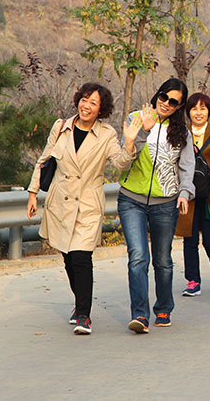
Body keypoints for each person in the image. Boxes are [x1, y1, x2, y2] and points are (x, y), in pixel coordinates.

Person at [27, 82, 142, 335]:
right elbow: (44, 160)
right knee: (68, 258)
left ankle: (83, 315)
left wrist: (130, 143)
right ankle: (79, 301)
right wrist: (33, 193)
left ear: (101, 109)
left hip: (88, 205)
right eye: (84, 99)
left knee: (81, 258)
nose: (86, 106)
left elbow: (120, 163)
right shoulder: (61, 127)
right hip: (60, 203)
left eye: (93, 103)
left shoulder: (106, 134)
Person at [117, 78, 195, 333]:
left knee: (162, 260)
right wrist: (144, 131)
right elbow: (125, 159)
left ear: (179, 106)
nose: (166, 103)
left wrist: (184, 193)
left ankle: (164, 307)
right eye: (164, 96)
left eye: (174, 102)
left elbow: (187, 167)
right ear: (157, 94)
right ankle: (140, 315)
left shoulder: (182, 132)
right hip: (131, 199)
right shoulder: (135, 119)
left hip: (166, 203)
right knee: (138, 257)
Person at [175, 93, 210, 296]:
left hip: (209, 196)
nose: (198, 113)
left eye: (203, 108)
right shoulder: (181, 133)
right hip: (187, 195)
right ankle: (193, 281)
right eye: (194, 109)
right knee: (189, 240)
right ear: (188, 112)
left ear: (209, 111)